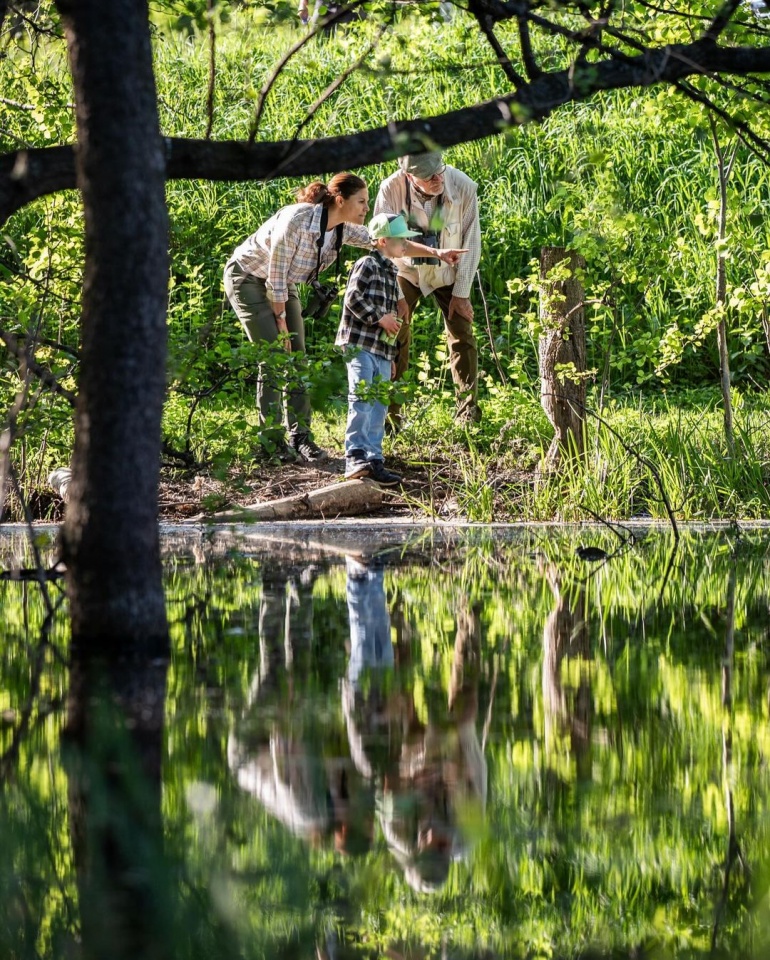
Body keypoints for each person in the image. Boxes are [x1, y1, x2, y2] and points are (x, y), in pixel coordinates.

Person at [224, 174, 466, 463]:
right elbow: (274, 281)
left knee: (297, 359)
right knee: (276, 355)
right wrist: (281, 325)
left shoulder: (341, 228)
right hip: (249, 278)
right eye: (361, 201)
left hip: (282, 284)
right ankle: (271, 443)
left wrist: (437, 252)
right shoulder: (296, 222)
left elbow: (387, 242)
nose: (366, 208)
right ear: (340, 200)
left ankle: (300, 437)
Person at [373, 151, 482, 427]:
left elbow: (472, 239)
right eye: (428, 175)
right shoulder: (391, 189)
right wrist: (398, 298)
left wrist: (462, 292)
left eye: (439, 170)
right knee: (395, 331)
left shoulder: (463, 185)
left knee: (462, 332)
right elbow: (382, 246)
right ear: (409, 177)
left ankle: (467, 415)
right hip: (405, 269)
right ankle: (391, 416)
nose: (437, 178)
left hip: (448, 271)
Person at [335, 212, 421, 486]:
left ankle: (374, 458)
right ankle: (355, 455)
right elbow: (352, 298)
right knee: (361, 396)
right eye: (400, 241)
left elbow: (391, 317)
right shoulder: (367, 264)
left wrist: (391, 355)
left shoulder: (392, 272)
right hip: (359, 343)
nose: (405, 246)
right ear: (383, 241)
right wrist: (379, 318)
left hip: (380, 349)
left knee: (380, 402)